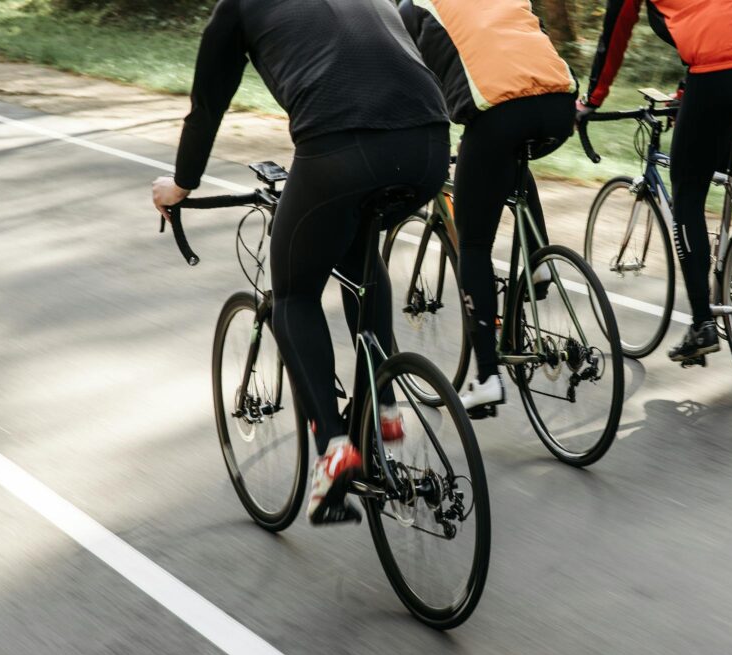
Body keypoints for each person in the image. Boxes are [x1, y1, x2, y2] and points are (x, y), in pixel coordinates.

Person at [152, 0, 450, 524]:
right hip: (429, 143)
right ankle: (383, 408)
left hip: (340, 147)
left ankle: (334, 451)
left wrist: (181, 184)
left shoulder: (238, 7)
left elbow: (207, 104)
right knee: (357, 249)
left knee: (293, 294)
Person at [578, 0, 732, 363]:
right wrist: (687, 93)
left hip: (721, 70)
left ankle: (701, 325)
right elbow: (721, 20)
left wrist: (592, 100)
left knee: (687, 193)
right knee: (717, 125)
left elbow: (615, 32)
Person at [398, 0, 577, 413]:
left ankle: (486, 378)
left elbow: (405, 81)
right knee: (508, 160)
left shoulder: (414, 7)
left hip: (499, 114)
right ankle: (538, 260)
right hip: (560, 106)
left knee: (474, 245)